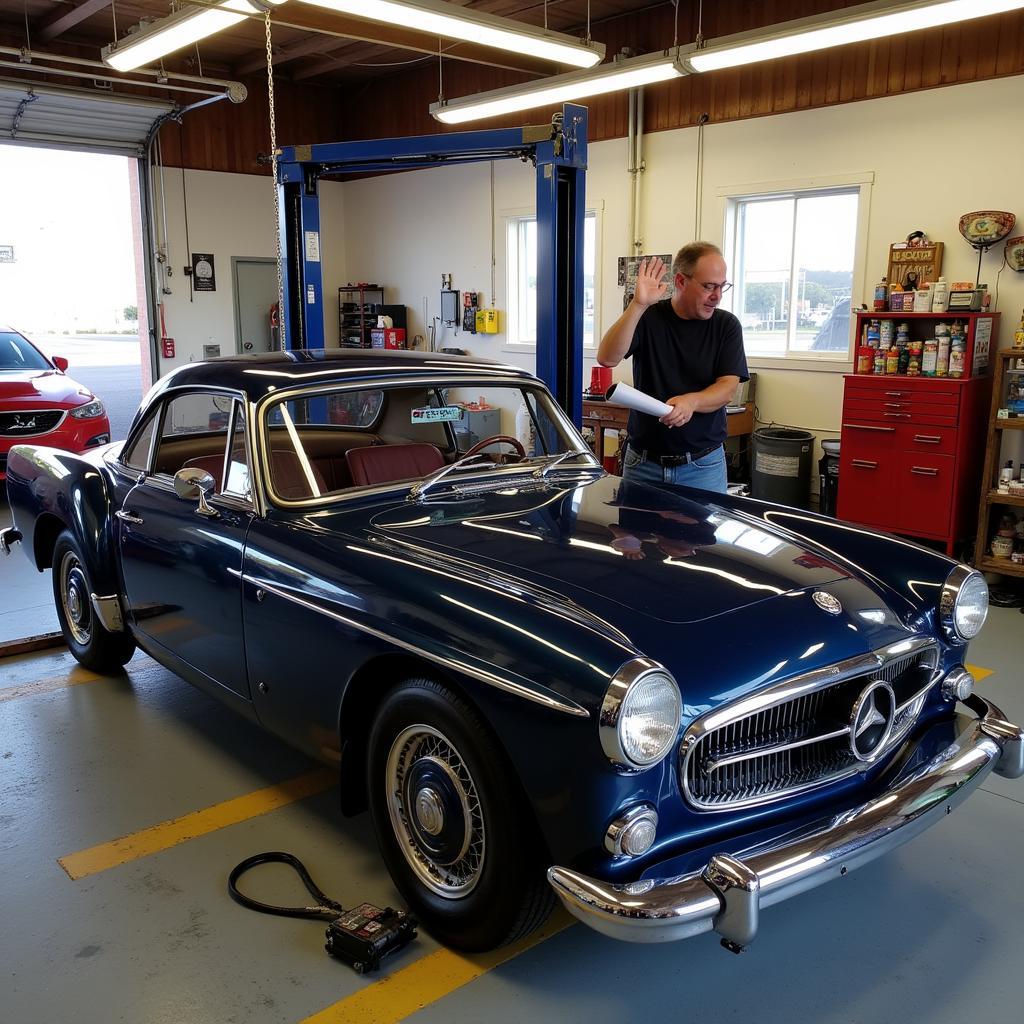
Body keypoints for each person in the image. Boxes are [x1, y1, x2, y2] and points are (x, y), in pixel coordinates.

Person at [597, 242, 749, 492]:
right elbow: (607, 358)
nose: (717, 296)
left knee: (703, 532)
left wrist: (692, 402)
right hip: (643, 464)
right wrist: (637, 305)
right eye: (709, 286)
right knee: (639, 532)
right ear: (681, 281)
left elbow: (727, 388)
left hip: (703, 466)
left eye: (722, 286)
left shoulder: (726, 326)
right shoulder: (648, 317)